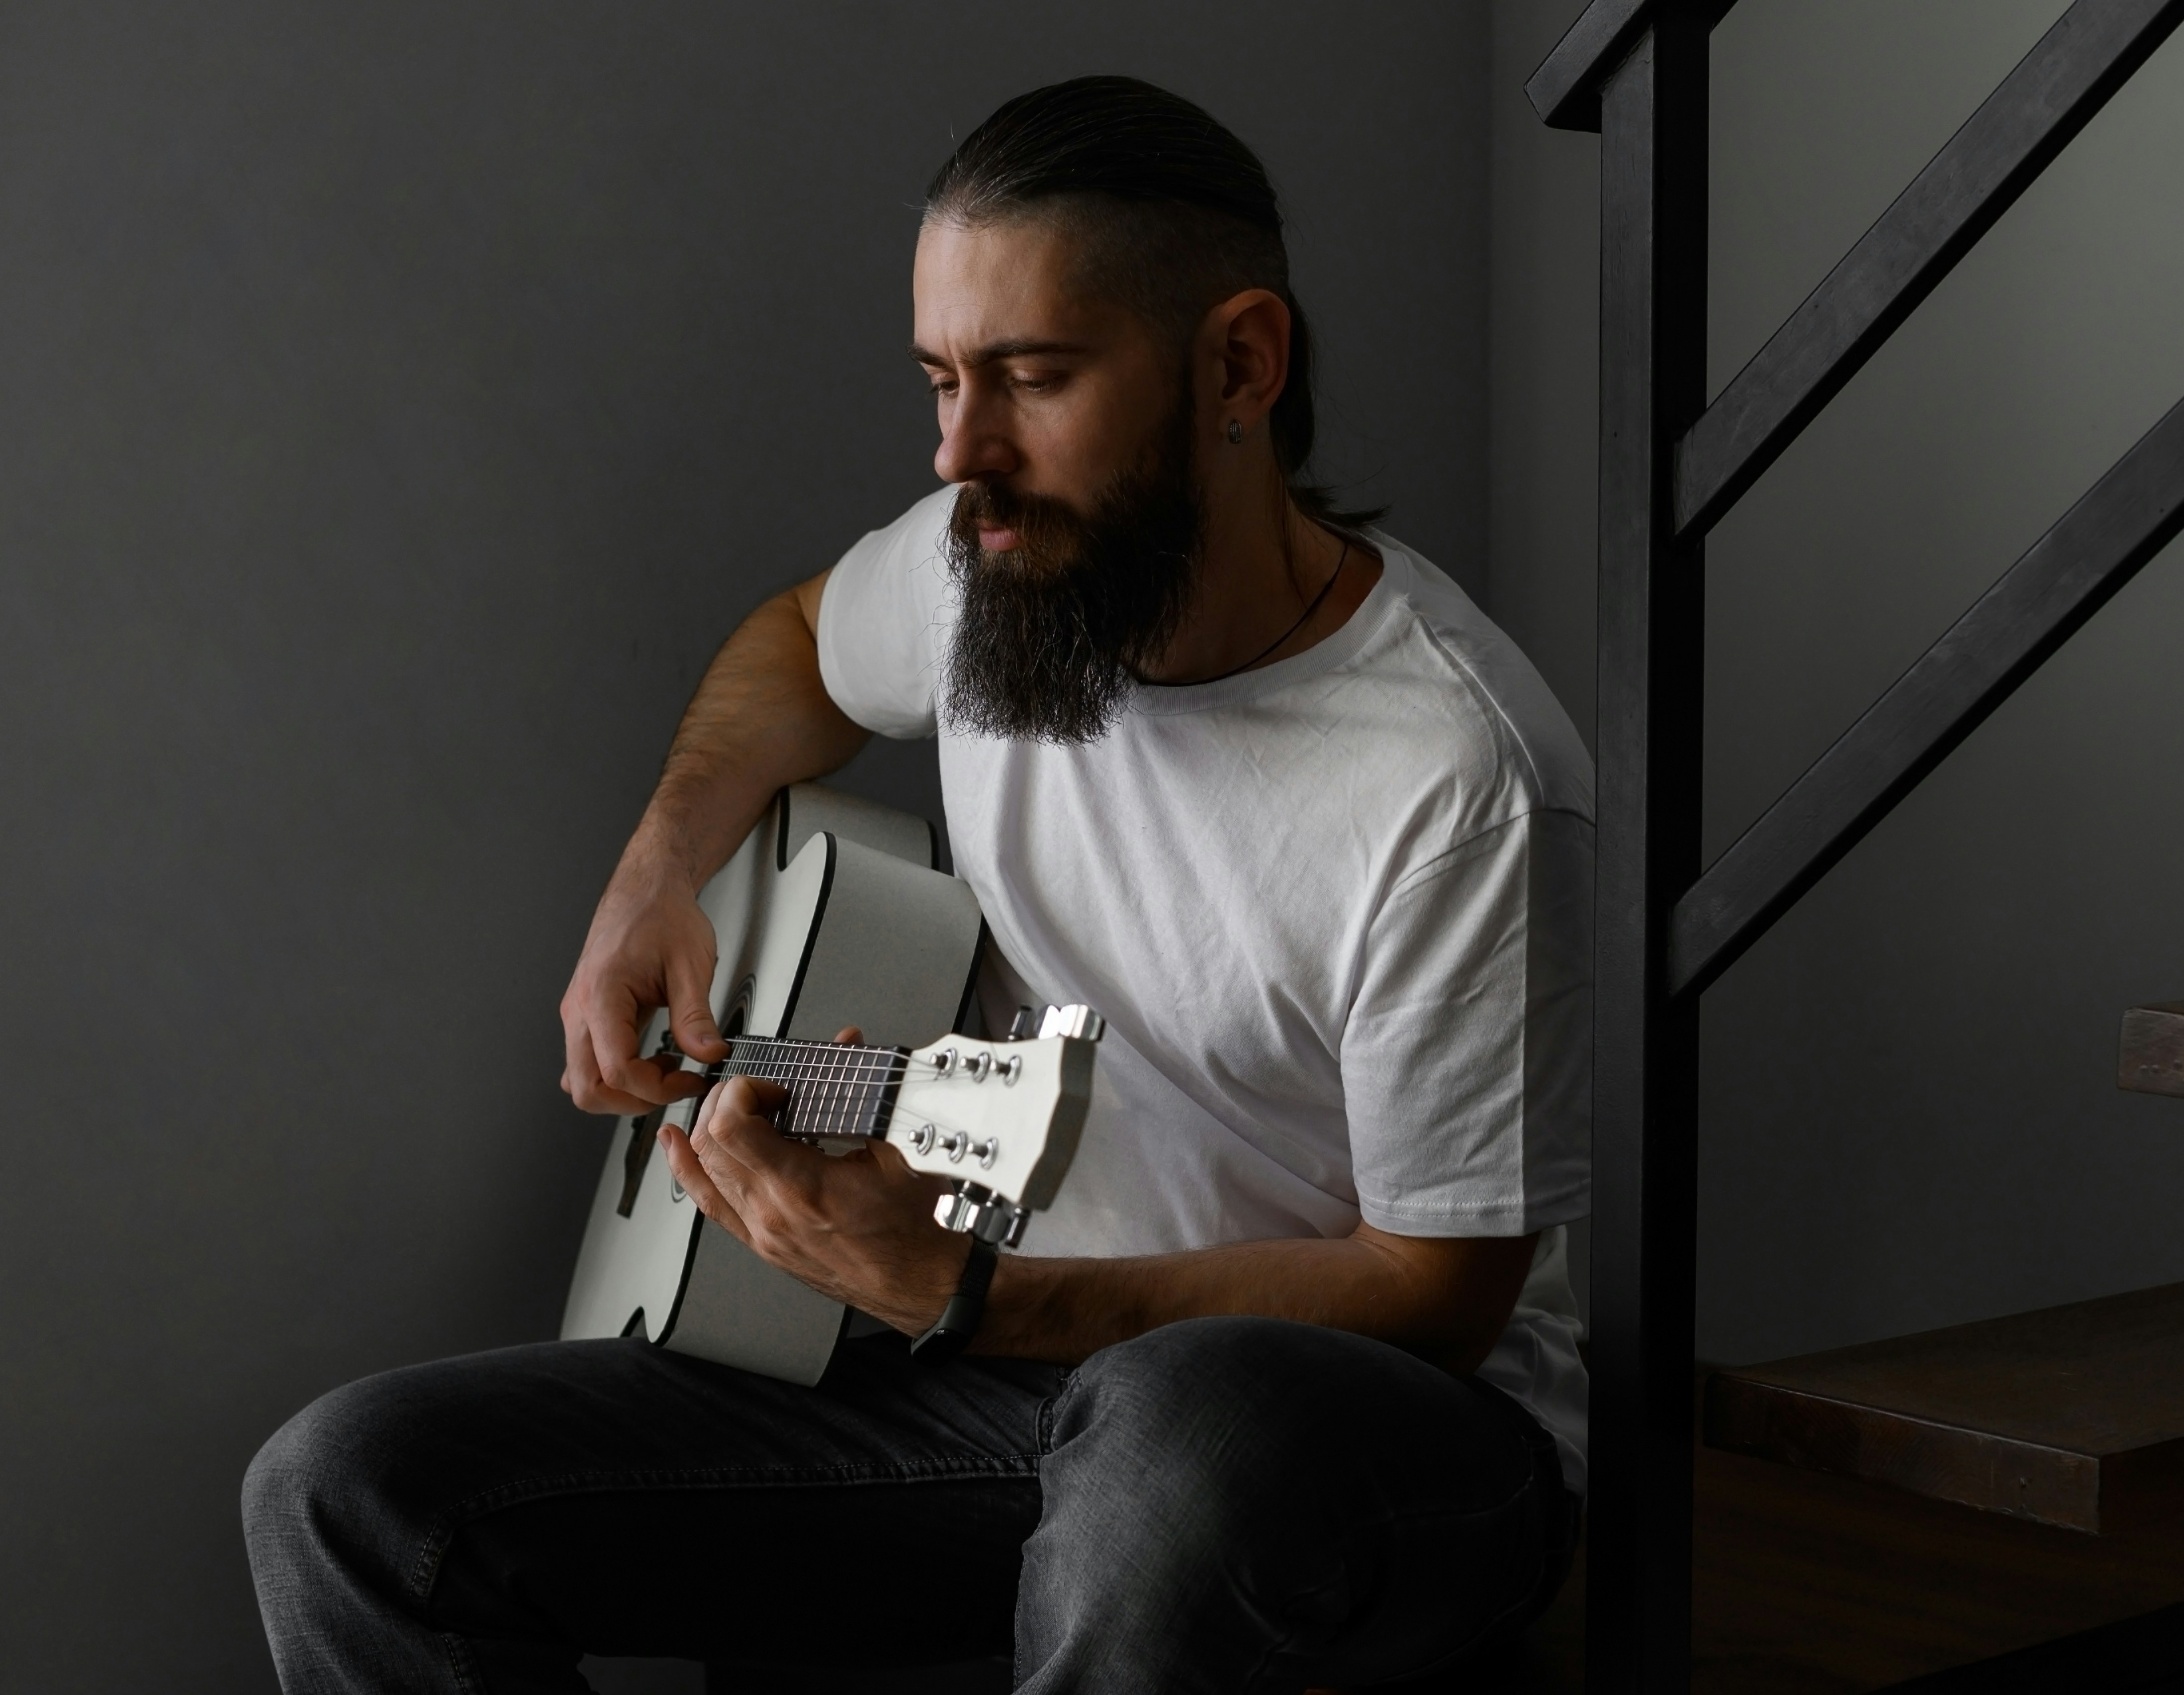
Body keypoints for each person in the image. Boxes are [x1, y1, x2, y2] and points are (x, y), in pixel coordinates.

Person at [243, 75, 1591, 1693]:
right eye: (943, 380)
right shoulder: (987, 563)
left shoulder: (1451, 776)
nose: (962, 453)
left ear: (1241, 361)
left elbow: (1432, 1293)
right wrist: (655, 874)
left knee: (1180, 1431)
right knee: (349, 1490)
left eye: (1031, 377)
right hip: (1000, 1384)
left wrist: (960, 1293)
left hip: (1369, 1448)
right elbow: (802, 643)